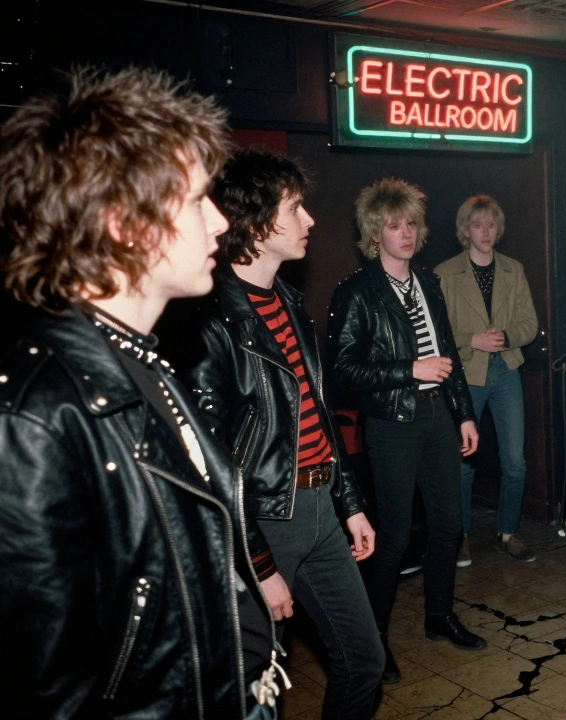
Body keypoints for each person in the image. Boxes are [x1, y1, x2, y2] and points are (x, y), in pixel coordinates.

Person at [0, 67, 279, 717]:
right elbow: (47, 692)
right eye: (196, 201)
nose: (218, 223)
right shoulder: (34, 419)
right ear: (125, 224)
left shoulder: (143, 361)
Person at [186, 149, 384, 717]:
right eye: (295, 208)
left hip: (320, 505)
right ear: (254, 222)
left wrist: (349, 503)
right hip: (266, 523)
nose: (310, 221)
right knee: (257, 690)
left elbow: (316, 412)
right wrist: (260, 564)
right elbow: (214, 461)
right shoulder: (213, 319)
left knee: (364, 661)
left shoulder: (292, 302)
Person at [327, 177, 484, 685]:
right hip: (391, 423)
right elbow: (341, 372)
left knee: (448, 526)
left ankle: (439, 616)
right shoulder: (356, 291)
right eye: (394, 225)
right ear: (375, 233)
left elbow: (450, 356)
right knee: (393, 538)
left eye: (411, 223)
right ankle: (374, 639)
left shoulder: (429, 283)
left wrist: (463, 412)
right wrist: (408, 369)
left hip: (439, 415)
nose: (406, 233)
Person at [435, 194, 539, 565]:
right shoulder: (445, 273)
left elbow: (530, 323)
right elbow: (438, 332)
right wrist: (472, 340)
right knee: (462, 462)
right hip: (467, 372)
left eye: (491, 224)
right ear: (465, 230)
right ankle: (460, 536)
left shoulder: (514, 269)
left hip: (506, 369)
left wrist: (507, 337)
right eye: (478, 225)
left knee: (515, 461)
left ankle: (507, 532)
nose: (485, 231)